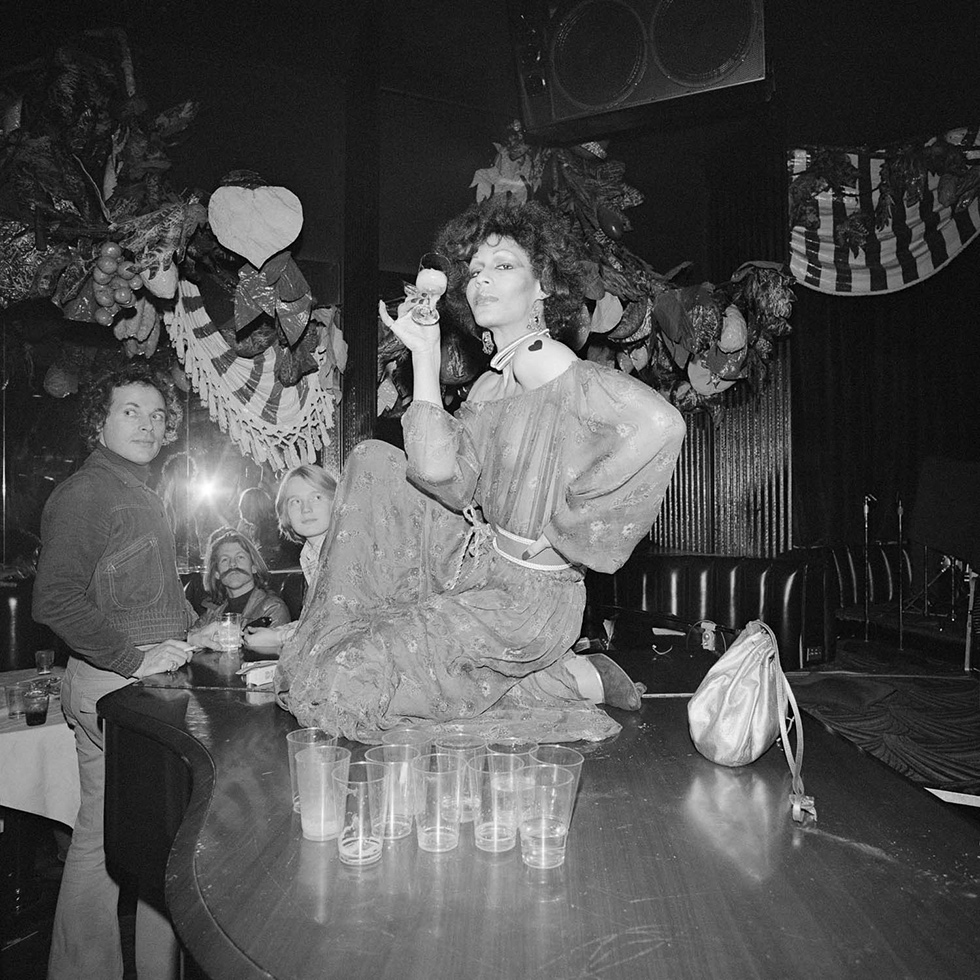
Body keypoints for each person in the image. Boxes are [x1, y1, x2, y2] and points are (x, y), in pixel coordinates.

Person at [275, 198, 685, 742]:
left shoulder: (545, 359)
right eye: (474, 272)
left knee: (349, 677)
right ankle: (566, 677)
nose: (481, 282)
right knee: (373, 460)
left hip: (528, 600)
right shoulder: (494, 381)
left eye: (504, 267)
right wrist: (423, 356)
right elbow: (442, 475)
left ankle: (567, 678)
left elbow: (660, 424)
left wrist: (566, 539)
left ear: (543, 286)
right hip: (482, 570)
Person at [33, 361, 197, 980]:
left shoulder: (138, 492)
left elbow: (142, 588)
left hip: (135, 685)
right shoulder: (88, 492)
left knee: (130, 843)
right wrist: (135, 658)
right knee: (128, 846)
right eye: (131, 411)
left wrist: (191, 625)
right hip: (115, 686)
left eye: (158, 415)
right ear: (98, 422)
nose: (149, 425)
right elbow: (55, 600)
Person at [241, 463, 337, 656]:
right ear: (285, 512)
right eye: (295, 501)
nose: (306, 509)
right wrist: (276, 632)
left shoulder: (342, 549)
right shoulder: (310, 552)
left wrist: (279, 638)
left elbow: (339, 623)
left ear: (336, 502)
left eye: (316, 497)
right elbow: (317, 619)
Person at [190, 526, 291, 633]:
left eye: (240, 557)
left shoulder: (272, 609)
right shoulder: (211, 615)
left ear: (254, 567)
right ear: (216, 573)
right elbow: (190, 637)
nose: (232, 564)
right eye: (224, 560)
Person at [235, 486, 282, 563]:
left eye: (245, 505)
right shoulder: (243, 526)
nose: (241, 509)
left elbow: (275, 553)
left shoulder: (272, 528)